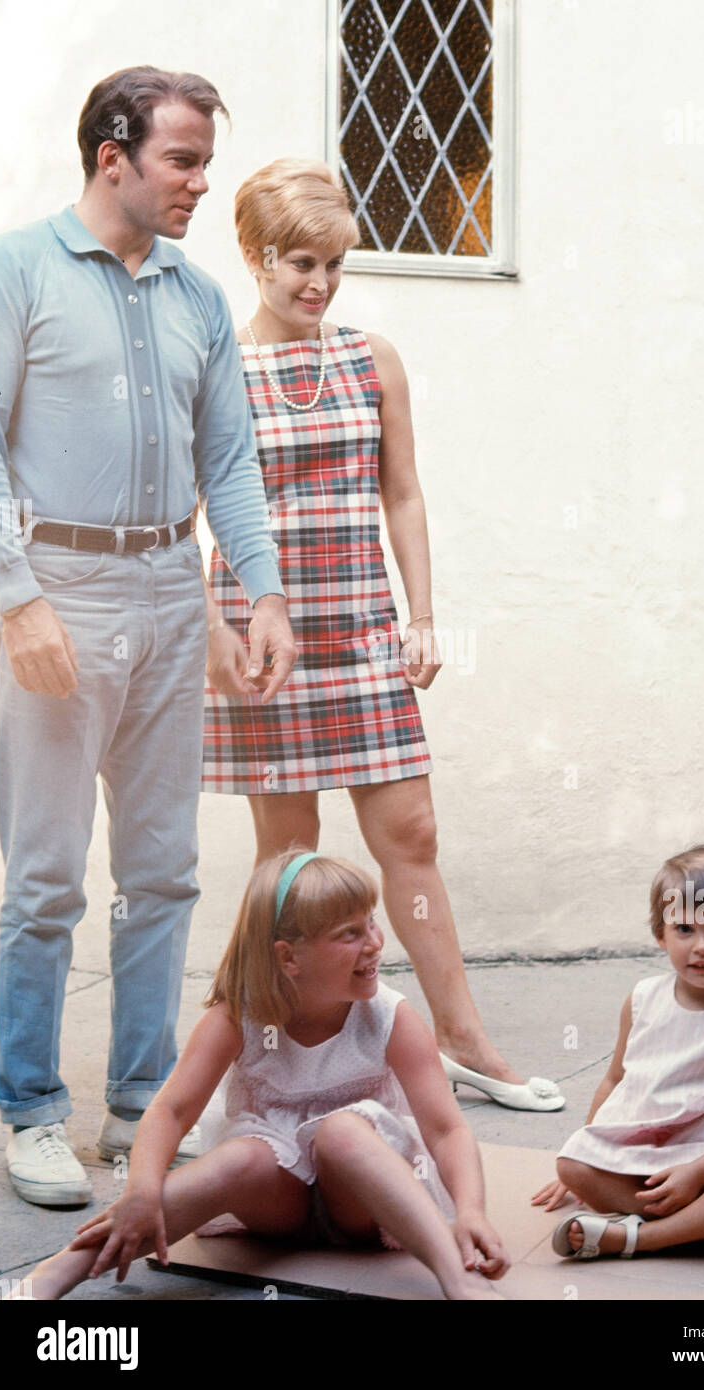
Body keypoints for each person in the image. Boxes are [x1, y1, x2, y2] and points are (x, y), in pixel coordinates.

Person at [0, 67, 296, 1208]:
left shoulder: (199, 296)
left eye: (205, 161)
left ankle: (141, 1104)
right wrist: (16, 599)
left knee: (162, 872)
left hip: (175, 592)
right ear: (111, 155)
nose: (201, 184)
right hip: (59, 589)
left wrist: (258, 595)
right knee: (45, 875)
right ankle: (29, 1109)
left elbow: (230, 463)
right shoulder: (12, 270)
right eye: (182, 160)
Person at [202, 157, 563, 1112]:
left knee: (412, 831)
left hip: (360, 627)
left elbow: (401, 492)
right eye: (297, 263)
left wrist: (424, 615)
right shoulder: (217, 368)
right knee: (289, 862)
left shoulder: (373, 358)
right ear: (253, 257)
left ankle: (464, 1040)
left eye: (331, 263)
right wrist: (213, 637)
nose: (317, 283)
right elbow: (189, 512)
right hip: (260, 633)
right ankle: (273, 1057)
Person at [9, 851, 509, 1301]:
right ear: (288, 957)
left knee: (341, 1132)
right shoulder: (238, 1017)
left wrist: (470, 1210)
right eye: (349, 934)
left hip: (365, 1205)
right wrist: (141, 1188)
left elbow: (446, 1129)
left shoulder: (389, 1016)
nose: (375, 944)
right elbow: (172, 1109)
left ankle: (456, 1277)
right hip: (279, 1205)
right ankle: (54, 1275)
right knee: (240, 1156)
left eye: (371, 923)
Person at [531, 844, 704, 1259]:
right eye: (685, 930)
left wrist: (696, 1173)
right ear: (660, 934)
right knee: (570, 1163)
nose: (701, 946)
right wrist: (587, 1146)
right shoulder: (641, 999)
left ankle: (638, 1238)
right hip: (642, 1157)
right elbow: (615, 1079)